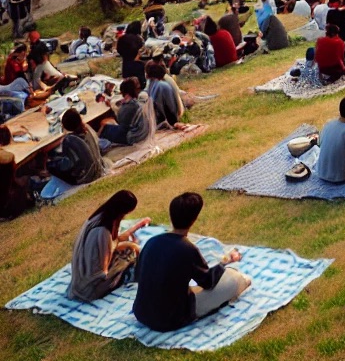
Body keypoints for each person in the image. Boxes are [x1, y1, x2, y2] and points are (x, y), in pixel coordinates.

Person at [133, 192, 251, 331]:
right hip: (171, 318)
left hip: (142, 312)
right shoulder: (187, 248)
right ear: (194, 219)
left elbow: (139, 274)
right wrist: (226, 262)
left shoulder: (152, 242)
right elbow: (207, 282)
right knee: (237, 279)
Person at [69, 190, 151, 302]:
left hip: (80, 281)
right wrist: (130, 246)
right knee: (130, 255)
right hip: (90, 288)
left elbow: (116, 241)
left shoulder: (99, 217)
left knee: (130, 248)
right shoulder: (103, 231)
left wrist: (138, 226)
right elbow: (103, 269)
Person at [51, 107, 108, 184]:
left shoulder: (69, 139)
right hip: (99, 168)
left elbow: (68, 165)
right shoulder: (87, 129)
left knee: (52, 166)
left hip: (88, 177)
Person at [100, 77, 152, 146]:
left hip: (133, 136)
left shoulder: (129, 106)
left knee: (105, 129)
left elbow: (122, 124)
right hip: (142, 133)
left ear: (123, 92)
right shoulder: (135, 103)